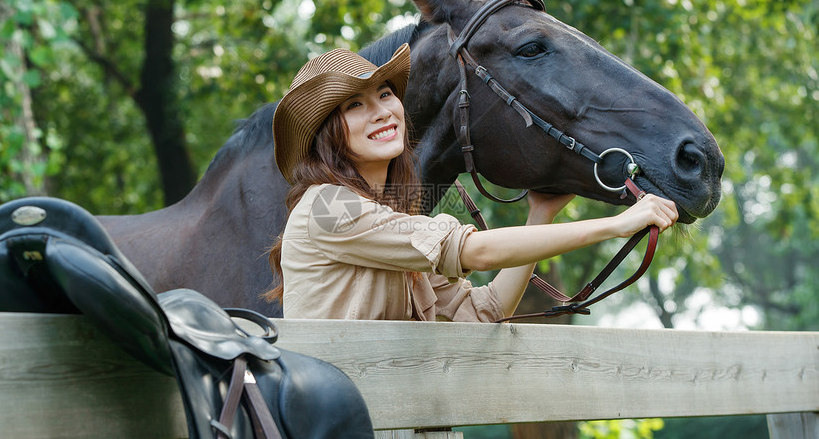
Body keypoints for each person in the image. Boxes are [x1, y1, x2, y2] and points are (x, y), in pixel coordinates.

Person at [266, 43, 678, 321]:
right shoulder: (326, 208)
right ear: (327, 135)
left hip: (394, 427)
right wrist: (617, 224)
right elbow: (473, 252)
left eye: (386, 94)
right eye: (355, 105)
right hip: (331, 437)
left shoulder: (390, 223)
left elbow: (487, 310)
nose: (381, 112)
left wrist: (540, 214)